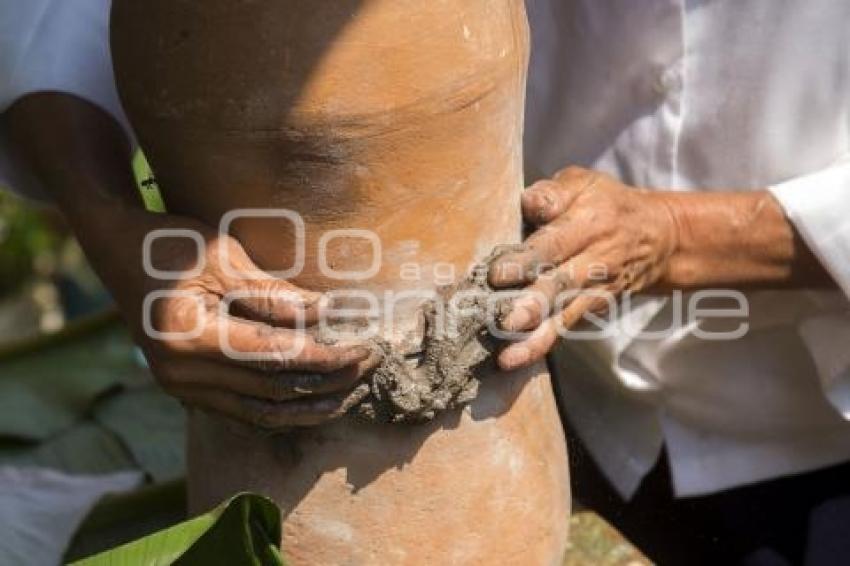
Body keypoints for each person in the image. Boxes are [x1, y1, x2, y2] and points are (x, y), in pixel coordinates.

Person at [2, 1, 850, 564]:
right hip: (561, 405)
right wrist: (110, 224)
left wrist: (678, 237)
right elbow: (58, 17)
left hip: (817, 433)